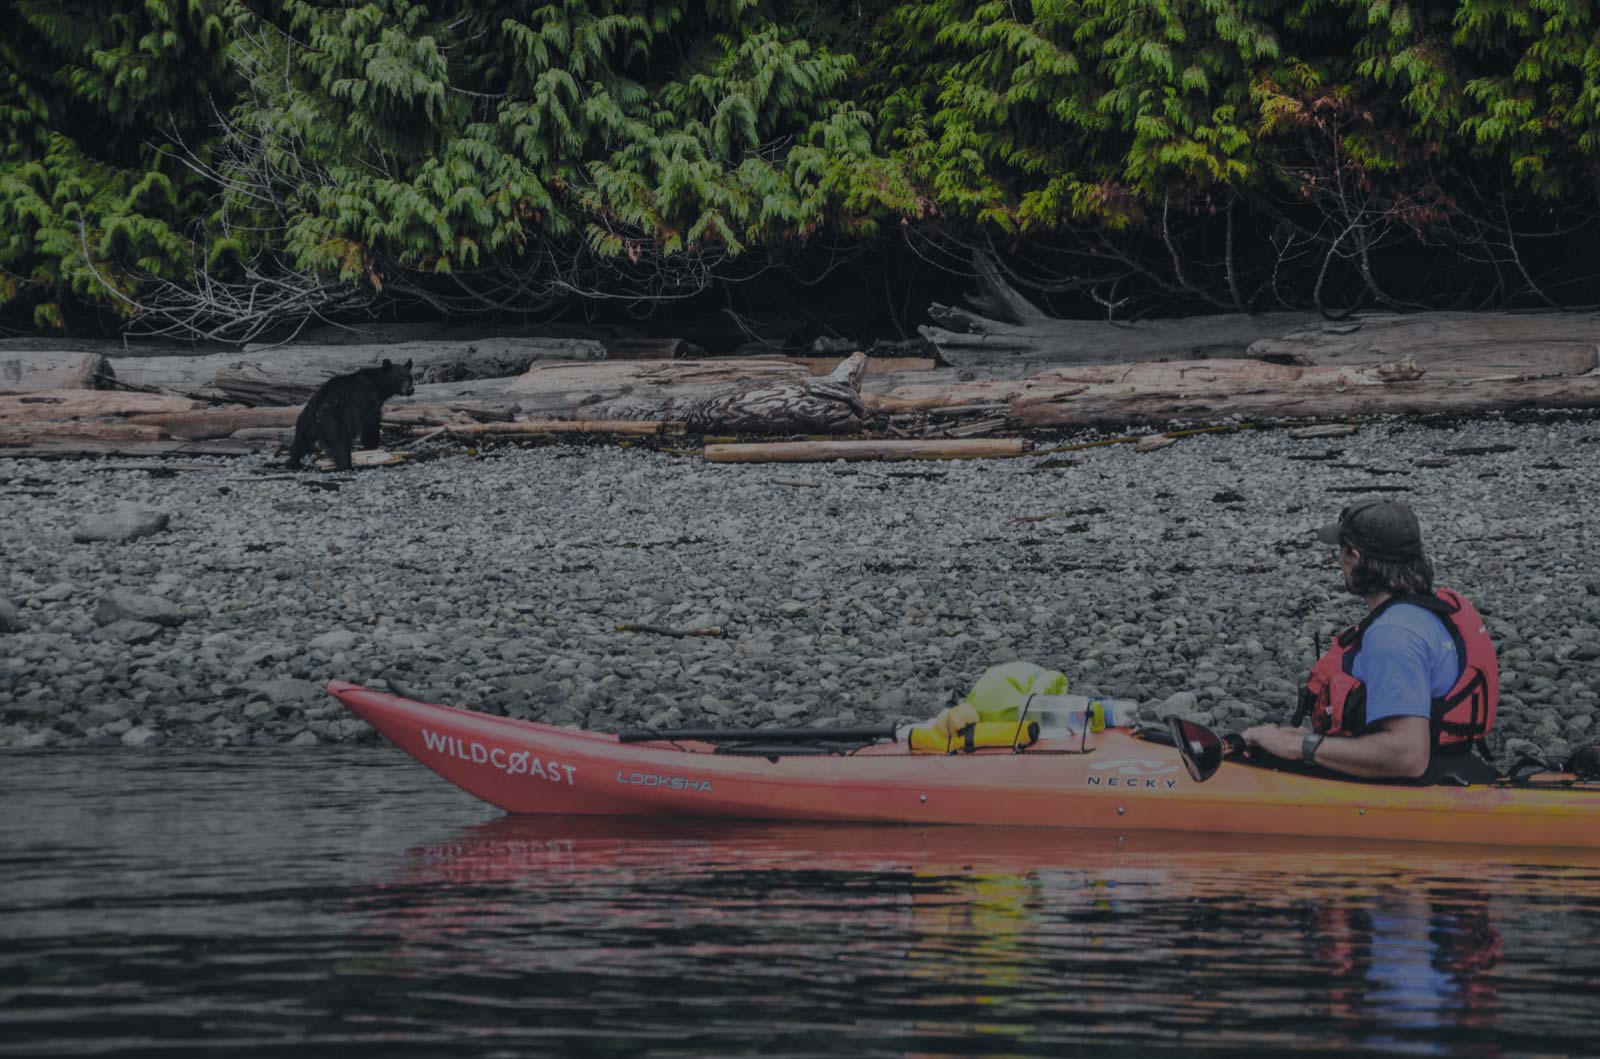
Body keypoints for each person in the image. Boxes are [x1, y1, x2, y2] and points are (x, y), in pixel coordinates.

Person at [1242, 499, 1500, 782]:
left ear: (1354, 557)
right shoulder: (1433, 613)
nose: (1339, 561)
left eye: (1341, 552)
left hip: (1419, 784)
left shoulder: (1392, 634)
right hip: (1455, 764)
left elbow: (1408, 756)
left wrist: (1300, 746)